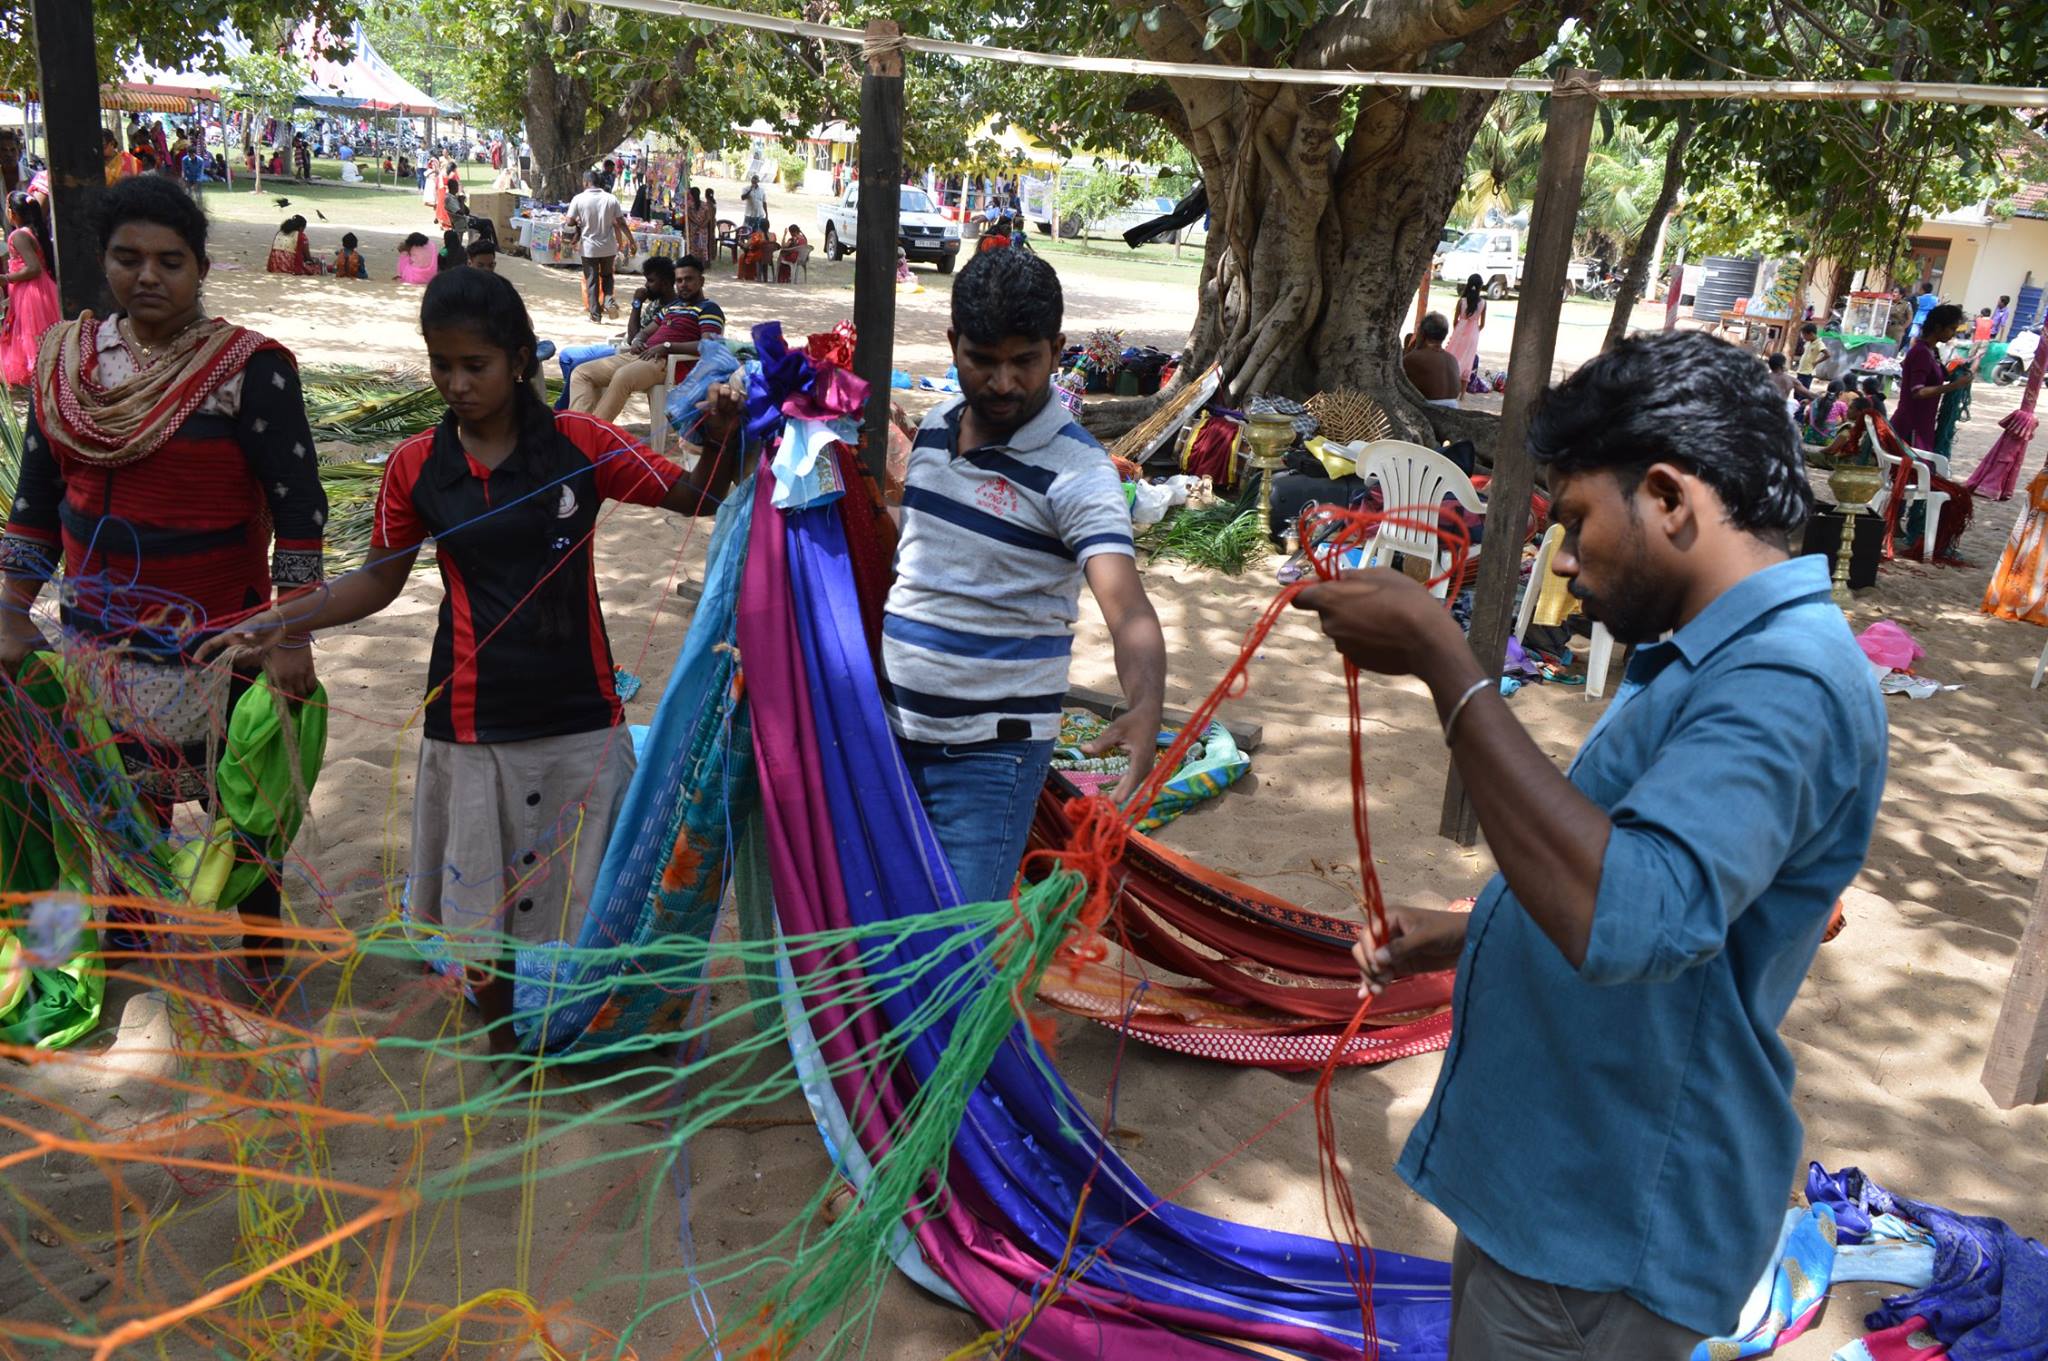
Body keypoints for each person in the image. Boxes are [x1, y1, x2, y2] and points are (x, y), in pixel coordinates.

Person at [1296, 328, 1885, 1360]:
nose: (1561, 558)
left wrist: (1448, 661)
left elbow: (1632, 910)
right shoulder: (1714, 656)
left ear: (1665, 496)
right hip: (1558, 1184)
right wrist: (1467, 928)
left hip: (1607, 1216)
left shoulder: (1783, 680)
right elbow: (1634, 858)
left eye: (1572, 518)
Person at [201, 266, 742, 1052]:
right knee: (486, 908)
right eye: (441, 364)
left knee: (595, 889)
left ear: (520, 359)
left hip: (581, 713)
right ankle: (503, 1046)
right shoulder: (417, 466)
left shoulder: (582, 443)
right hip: (471, 722)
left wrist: (724, 439)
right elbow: (379, 582)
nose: (456, 383)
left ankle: (604, 1031)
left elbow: (696, 497)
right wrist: (284, 620)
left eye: (474, 365)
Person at [0, 174, 328, 981]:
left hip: (226, 642)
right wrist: (10, 608)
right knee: (114, 803)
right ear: (102, 261)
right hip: (100, 644)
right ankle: (130, 942)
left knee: (244, 806)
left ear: (201, 267)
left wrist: (291, 632)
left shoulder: (250, 370)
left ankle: (257, 948)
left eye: (171, 261)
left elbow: (301, 509)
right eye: (128, 257)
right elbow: (38, 501)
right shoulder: (66, 366)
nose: (149, 276)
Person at [883, 248, 1166, 904]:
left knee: (957, 954)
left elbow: (1129, 610)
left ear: (1057, 350)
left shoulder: (1079, 471)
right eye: (982, 359)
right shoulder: (931, 431)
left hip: (988, 764)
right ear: (953, 344)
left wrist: (1146, 702)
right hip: (891, 738)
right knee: (889, 929)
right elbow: (924, 558)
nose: (1003, 381)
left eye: (1024, 360)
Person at [570, 255, 723, 424]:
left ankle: (593, 432)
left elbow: (709, 346)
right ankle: (578, 428)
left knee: (622, 376)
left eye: (688, 279)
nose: (683, 285)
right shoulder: (672, 307)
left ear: (701, 281)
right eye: (679, 280)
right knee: (581, 373)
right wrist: (637, 341)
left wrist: (667, 347)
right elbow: (645, 332)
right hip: (641, 355)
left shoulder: (709, 309)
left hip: (665, 362)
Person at [551, 255, 682, 412]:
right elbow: (636, 335)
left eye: (651, 281)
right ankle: (577, 407)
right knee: (567, 356)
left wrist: (637, 304)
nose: (646, 286)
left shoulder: (673, 309)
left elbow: (634, 337)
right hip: (624, 345)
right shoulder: (655, 302)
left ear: (666, 283)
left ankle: (562, 412)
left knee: (577, 368)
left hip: (628, 351)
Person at [0, 191, 59, 385]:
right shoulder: (33, 231)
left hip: (32, 293)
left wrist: (6, 278)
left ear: (12, 213)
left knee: (34, 338)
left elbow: (33, 268)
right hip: (40, 290)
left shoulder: (18, 236)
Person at [1892, 303, 1969, 450]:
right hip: (1912, 425)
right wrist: (1955, 386)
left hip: (1923, 422)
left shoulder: (1930, 351)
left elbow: (1931, 376)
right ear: (1938, 327)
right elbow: (1918, 391)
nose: (1953, 333)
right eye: (1951, 329)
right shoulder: (1921, 352)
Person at [567, 170, 633, 324]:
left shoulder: (579, 199)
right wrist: (632, 240)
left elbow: (569, 221)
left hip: (589, 247)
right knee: (607, 276)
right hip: (608, 247)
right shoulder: (611, 199)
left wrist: (576, 223)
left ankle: (595, 316)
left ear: (585, 182)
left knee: (592, 280)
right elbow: (621, 223)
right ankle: (609, 300)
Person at [1402, 312, 1463, 407]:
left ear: (1422, 333)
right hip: (1454, 407)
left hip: (1430, 410)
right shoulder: (1452, 359)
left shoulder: (1414, 357)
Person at [1446, 273, 1485, 383]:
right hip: (1473, 334)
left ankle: (1450, 380)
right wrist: (1475, 331)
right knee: (1468, 360)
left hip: (1459, 331)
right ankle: (1462, 392)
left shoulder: (1462, 301)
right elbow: (1482, 324)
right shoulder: (1483, 303)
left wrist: (1458, 330)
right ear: (1480, 287)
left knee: (1453, 355)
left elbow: (1455, 321)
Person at [684, 186, 715, 262]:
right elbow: (708, 217)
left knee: (693, 247)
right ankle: (701, 264)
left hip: (693, 229)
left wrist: (696, 223)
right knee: (701, 247)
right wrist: (702, 224)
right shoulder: (704, 205)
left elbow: (688, 216)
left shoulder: (689, 205)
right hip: (703, 230)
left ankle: (691, 262)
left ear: (691, 195)